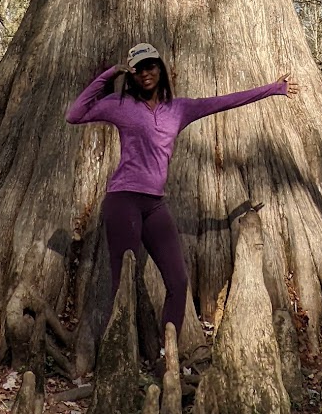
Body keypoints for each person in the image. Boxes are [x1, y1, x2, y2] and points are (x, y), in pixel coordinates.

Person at [67, 42, 289, 343]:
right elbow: (75, 114)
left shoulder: (179, 109)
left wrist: (274, 88)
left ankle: (164, 352)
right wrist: (109, 75)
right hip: (123, 200)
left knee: (178, 280)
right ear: (132, 75)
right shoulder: (120, 105)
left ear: (160, 69)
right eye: (139, 69)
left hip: (156, 204)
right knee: (124, 283)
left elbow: (224, 101)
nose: (146, 73)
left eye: (151, 66)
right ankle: (119, 353)